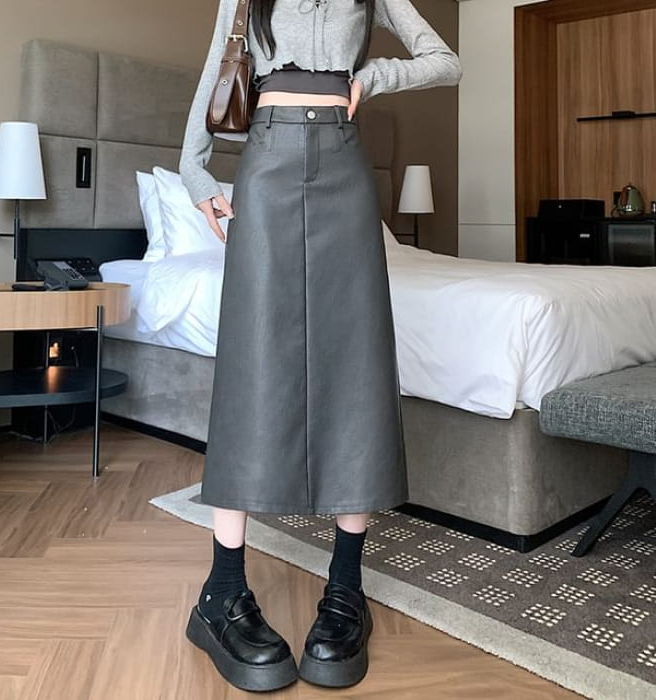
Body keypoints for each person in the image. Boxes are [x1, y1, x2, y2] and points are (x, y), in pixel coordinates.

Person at [179, 0, 461, 692]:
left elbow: (445, 61)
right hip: (266, 159)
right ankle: (222, 591)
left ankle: (345, 587)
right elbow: (218, 65)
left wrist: (372, 77)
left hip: (342, 164)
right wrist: (194, 172)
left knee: (355, 361)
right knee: (250, 362)